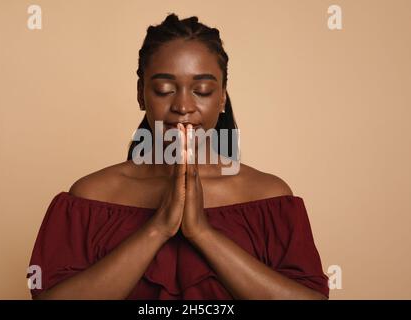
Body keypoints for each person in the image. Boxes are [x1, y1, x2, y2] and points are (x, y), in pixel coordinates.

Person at [28, 13, 329, 300]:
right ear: (140, 93)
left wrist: (201, 232)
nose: (183, 105)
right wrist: (159, 227)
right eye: (164, 89)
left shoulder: (269, 196)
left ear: (222, 96)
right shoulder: (90, 197)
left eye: (202, 90)